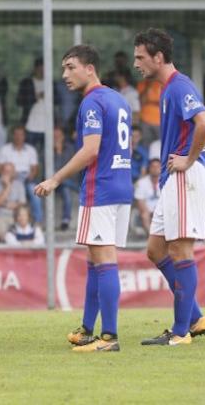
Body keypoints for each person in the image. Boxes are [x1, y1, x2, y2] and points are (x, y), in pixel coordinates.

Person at [35, 44, 133, 353]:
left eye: (70, 67)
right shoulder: (119, 100)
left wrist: (55, 178)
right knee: (95, 259)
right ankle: (88, 329)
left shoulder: (91, 103)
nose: (64, 74)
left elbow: (90, 151)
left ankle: (110, 337)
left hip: (100, 188)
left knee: (104, 260)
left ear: (90, 68)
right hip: (122, 186)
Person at [133, 28, 205, 346]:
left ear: (158, 57)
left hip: (183, 177)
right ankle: (194, 317)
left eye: (140, 57)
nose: (136, 63)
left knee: (180, 250)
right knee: (156, 250)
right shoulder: (167, 89)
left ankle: (181, 333)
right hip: (171, 179)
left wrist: (188, 160)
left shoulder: (179, 86)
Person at [0, 126, 43, 226]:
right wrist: (8, 176)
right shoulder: (5, 149)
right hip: (9, 176)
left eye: (21, 134)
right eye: (16, 134)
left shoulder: (31, 150)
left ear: (24, 136)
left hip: (25, 178)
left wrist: (31, 175)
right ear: (12, 135)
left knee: (34, 190)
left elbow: (35, 168)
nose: (18, 137)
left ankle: (38, 221)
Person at [17, 57, 57, 150]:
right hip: (30, 125)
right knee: (29, 151)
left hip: (48, 125)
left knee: (47, 154)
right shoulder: (26, 83)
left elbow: (57, 101)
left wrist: (48, 95)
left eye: (43, 69)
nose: (41, 71)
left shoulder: (51, 83)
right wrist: (34, 97)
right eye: (39, 69)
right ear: (35, 69)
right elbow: (19, 101)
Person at [0, 163, 26, 241]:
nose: (7, 174)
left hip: (15, 216)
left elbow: (22, 203)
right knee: (3, 236)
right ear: (1, 172)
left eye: (10, 172)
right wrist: (7, 186)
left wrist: (8, 205)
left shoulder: (19, 184)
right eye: (5, 171)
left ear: (14, 173)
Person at [54, 127, 79, 230]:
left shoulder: (70, 148)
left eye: (58, 136)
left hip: (70, 181)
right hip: (55, 184)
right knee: (64, 187)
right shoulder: (46, 150)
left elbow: (73, 168)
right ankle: (66, 219)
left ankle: (66, 219)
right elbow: (52, 171)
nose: (56, 139)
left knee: (65, 188)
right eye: (54, 136)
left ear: (63, 137)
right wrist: (57, 153)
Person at [134, 158, 161, 234]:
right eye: (153, 167)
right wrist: (149, 211)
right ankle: (151, 236)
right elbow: (140, 202)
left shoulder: (165, 181)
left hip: (161, 210)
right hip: (147, 210)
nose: (155, 169)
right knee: (145, 214)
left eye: (157, 167)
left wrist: (157, 211)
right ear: (149, 168)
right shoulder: (141, 182)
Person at [136, 78, 162, 146]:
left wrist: (151, 102)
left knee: (161, 145)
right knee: (146, 145)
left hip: (160, 120)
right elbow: (142, 101)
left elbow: (165, 102)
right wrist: (148, 86)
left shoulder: (162, 83)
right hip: (145, 120)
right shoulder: (142, 84)